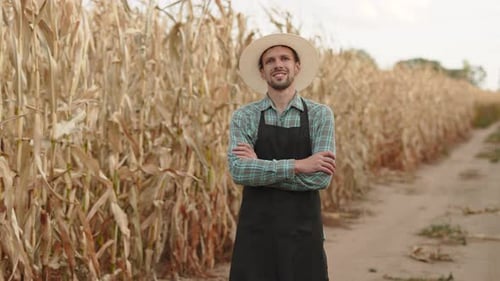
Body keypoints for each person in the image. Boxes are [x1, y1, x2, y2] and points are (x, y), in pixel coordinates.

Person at [227, 33, 336, 281]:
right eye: (270, 61)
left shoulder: (320, 115)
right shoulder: (245, 116)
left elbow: (320, 179)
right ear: (262, 72)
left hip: (303, 231)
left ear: (296, 67)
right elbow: (238, 171)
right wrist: (300, 165)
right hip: (256, 231)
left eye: (285, 58)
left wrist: (259, 168)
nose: (278, 64)